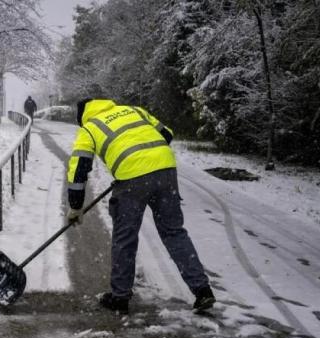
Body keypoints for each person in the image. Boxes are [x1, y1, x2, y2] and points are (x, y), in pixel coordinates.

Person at [66, 98, 215, 314]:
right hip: (166, 170)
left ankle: (120, 297)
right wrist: (148, 158)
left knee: (125, 238)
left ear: (83, 116)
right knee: (174, 232)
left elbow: (79, 168)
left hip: (131, 179)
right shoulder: (133, 110)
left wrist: (75, 206)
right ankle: (202, 290)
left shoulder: (89, 128)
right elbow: (167, 134)